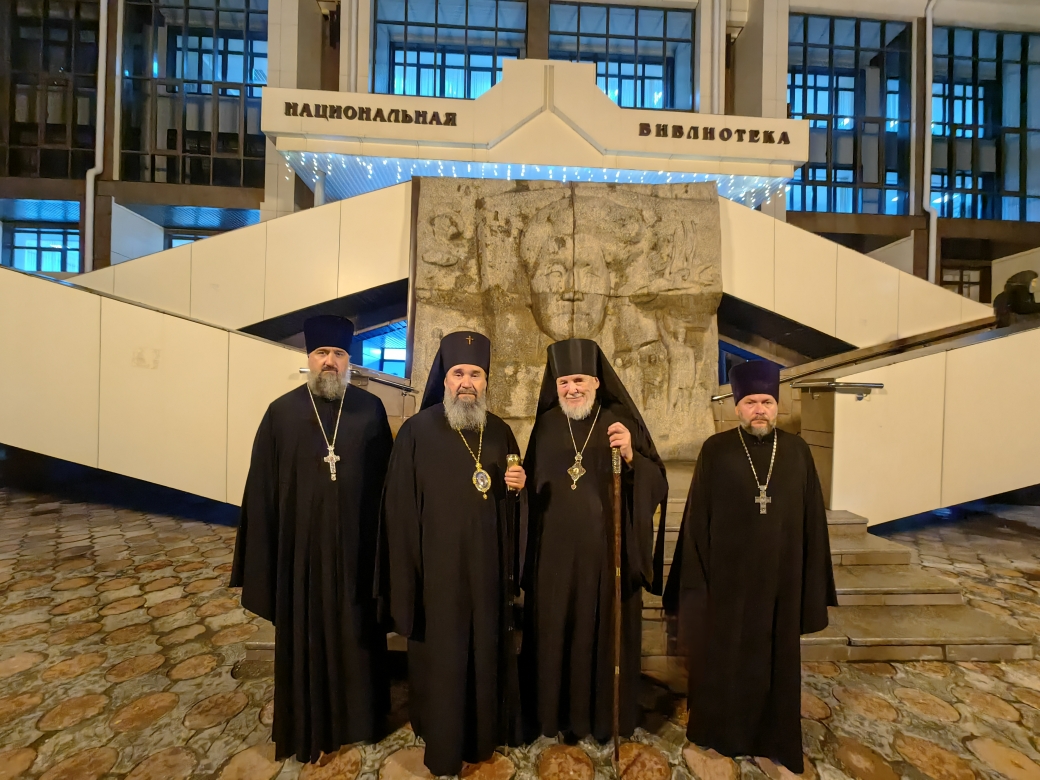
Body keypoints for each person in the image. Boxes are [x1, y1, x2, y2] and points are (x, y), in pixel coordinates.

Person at [231, 314, 394, 763]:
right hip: (300, 555)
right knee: (308, 637)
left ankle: (361, 720)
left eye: (338, 353)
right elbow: (261, 489)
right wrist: (265, 556)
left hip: (357, 551)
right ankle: (308, 721)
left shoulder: (370, 410)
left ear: (349, 361)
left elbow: (389, 485)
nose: (330, 361)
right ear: (309, 358)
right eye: (322, 353)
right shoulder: (281, 412)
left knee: (358, 634)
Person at [663, 360, 837, 774]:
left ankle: (772, 738)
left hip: (781, 582)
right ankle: (720, 733)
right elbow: (696, 520)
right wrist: (696, 584)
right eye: (751, 403)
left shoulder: (797, 452)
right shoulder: (716, 450)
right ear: (737, 406)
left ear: (777, 406)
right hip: (727, 583)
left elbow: (813, 521)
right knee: (722, 659)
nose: (760, 410)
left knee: (775, 663)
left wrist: (811, 584)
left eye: (767, 402)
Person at [376, 331, 526, 776]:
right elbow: (398, 511)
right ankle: (441, 738)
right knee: (441, 661)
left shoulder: (500, 432)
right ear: (444, 378)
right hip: (435, 577)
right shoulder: (416, 432)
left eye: (475, 374)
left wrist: (517, 492)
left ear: (486, 381)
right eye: (458, 372)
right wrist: (408, 579)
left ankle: (482, 734)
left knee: (484, 653)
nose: (466, 382)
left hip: (486, 574)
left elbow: (512, 506)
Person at [521, 337, 668, 743]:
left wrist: (632, 457)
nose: (572, 389)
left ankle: (601, 718)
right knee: (556, 634)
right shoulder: (546, 425)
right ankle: (553, 715)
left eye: (580, 380)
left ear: (597, 382)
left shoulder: (618, 421)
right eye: (564, 381)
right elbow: (530, 489)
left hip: (607, 559)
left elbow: (657, 482)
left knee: (601, 637)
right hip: (553, 560)